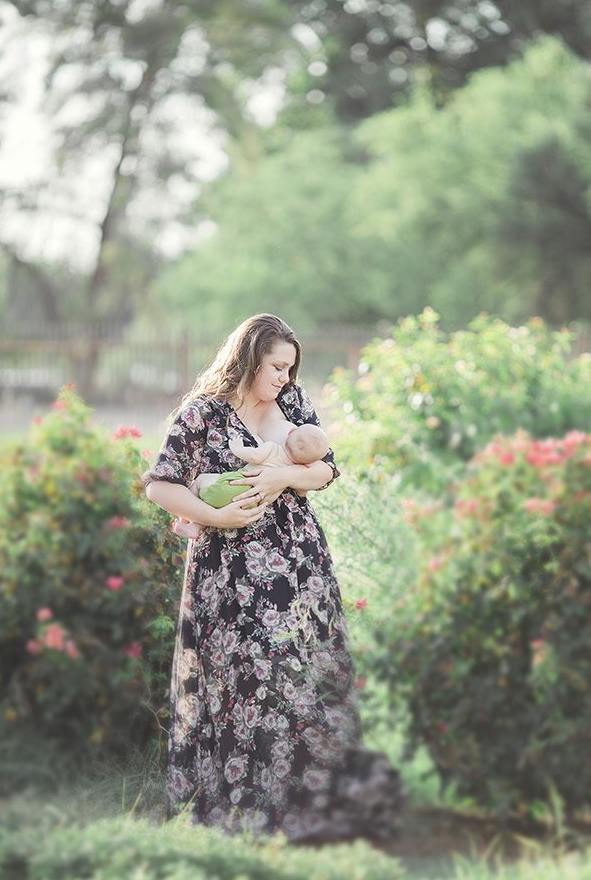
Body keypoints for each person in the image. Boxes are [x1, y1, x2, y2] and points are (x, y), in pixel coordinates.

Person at [141, 314, 402, 844]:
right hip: (230, 567)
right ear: (248, 359)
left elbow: (327, 468)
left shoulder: (294, 404)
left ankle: (305, 798)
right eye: (277, 367)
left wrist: (285, 474)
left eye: (291, 368)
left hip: (299, 564)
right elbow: (160, 487)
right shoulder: (203, 416)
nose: (285, 377)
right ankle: (245, 802)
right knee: (246, 675)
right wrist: (217, 517)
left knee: (300, 671)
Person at [170, 423, 333, 540]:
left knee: (200, 481)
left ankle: (188, 519)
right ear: (309, 463)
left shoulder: (272, 448)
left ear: (290, 432)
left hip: (234, 485)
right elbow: (302, 492)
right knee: (219, 503)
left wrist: (237, 448)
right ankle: (195, 527)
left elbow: (255, 456)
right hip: (252, 505)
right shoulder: (292, 472)